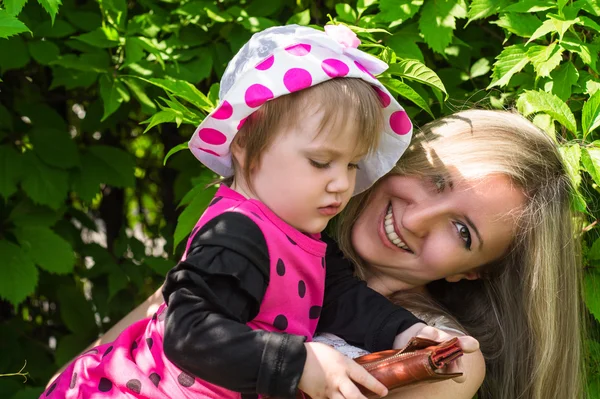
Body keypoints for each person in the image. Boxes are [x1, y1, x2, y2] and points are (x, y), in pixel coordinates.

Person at [43, 25, 473, 399]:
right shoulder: (236, 233)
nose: (341, 182)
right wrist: (297, 362)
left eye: (352, 164)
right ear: (245, 145)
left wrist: (403, 332)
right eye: (321, 162)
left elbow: (339, 299)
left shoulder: (299, 233)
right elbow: (189, 333)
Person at [49, 109, 584, 399]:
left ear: (476, 273)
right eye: (433, 179)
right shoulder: (260, 243)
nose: (415, 219)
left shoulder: (444, 363)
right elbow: (88, 368)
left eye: (462, 232)